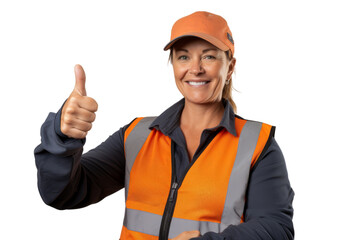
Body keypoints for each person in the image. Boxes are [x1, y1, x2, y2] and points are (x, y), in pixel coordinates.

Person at [35, 11, 294, 240]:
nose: (195, 69)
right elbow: (62, 193)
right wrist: (62, 137)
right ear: (173, 65)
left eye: (209, 57)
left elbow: (276, 228)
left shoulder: (257, 145)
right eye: (183, 57)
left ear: (230, 67)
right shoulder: (137, 136)